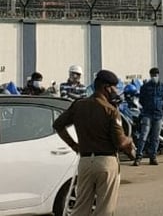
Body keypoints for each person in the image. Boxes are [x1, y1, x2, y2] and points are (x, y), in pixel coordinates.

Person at [53, 69, 135, 216]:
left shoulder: (79, 105)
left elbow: (58, 125)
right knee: (104, 209)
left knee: (81, 208)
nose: (116, 91)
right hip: (106, 163)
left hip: (84, 162)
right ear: (106, 88)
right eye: (114, 87)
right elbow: (120, 142)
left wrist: (74, 146)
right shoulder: (110, 110)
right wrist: (130, 142)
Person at [133, 67, 163, 166]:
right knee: (143, 136)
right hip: (147, 114)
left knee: (155, 137)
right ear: (150, 75)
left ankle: (153, 157)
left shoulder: (162, 87)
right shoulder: (145, 87)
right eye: (153, 75)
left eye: (156, 74)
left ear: (158, 75)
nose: (154, 77)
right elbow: (141, 100)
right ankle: (138, 157)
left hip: (158, 115)